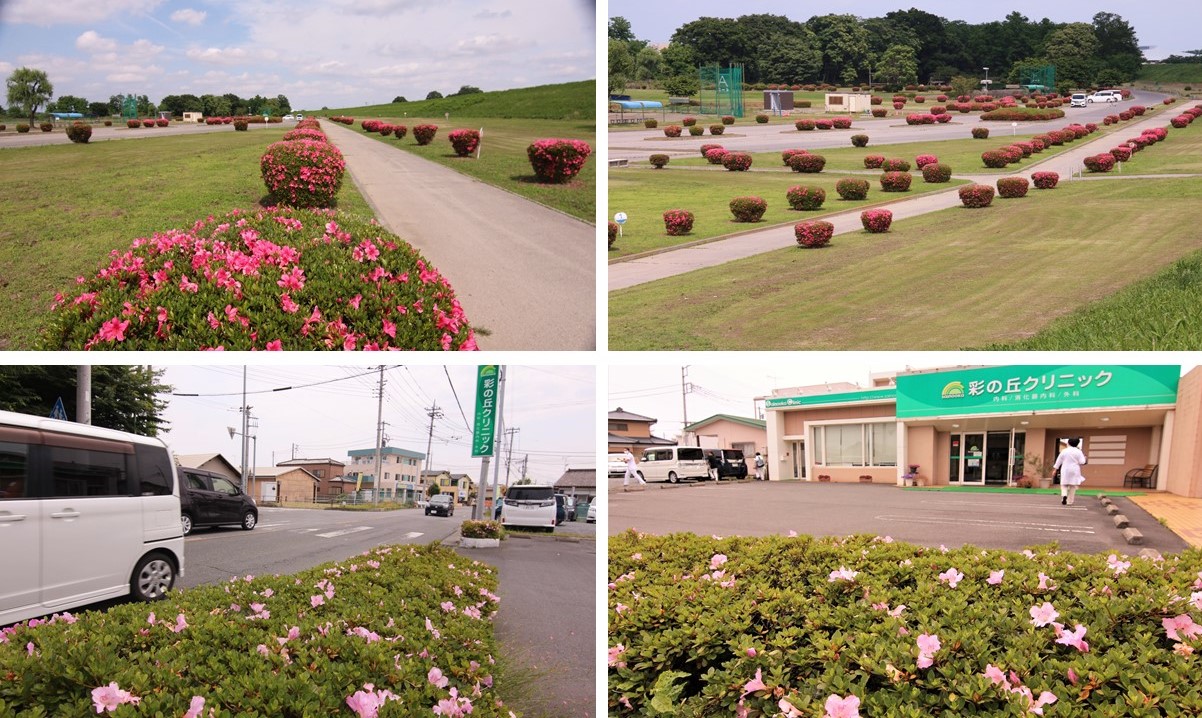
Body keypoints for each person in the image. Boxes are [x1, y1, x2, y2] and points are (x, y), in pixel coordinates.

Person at [1053, 438, 1087, 506]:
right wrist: (1085, 458)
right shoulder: (1078, 451)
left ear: (1068, 443)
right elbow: (1082, 462)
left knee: (1063, 484)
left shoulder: (1064, 451)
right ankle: (1070, 501)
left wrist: (1055, 469)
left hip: (1065, 469)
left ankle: (1064, 495)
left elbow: (1058, 461)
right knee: (1073, 486)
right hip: (1075, 470)